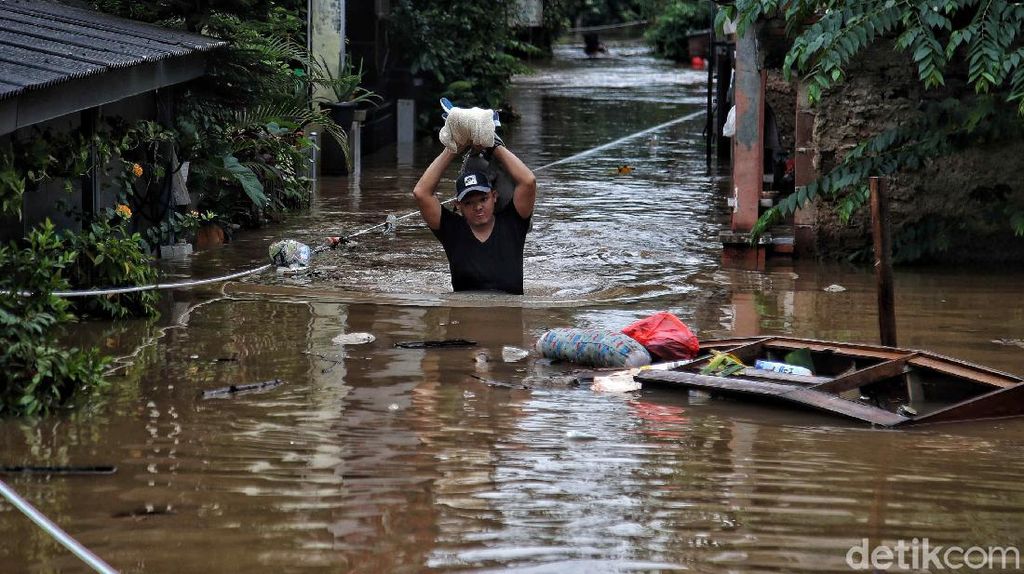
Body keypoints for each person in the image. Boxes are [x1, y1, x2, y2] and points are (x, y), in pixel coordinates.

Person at [413, 143, 536, 294]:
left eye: (483, 199)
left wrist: (493, 144)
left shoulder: (513, 222)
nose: (477, 207)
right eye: (469, 202)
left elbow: (528, 181)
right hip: (464, 313)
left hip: (509, 312)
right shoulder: (452, 230)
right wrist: (453, 148)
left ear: (494, 196)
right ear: (458, 205)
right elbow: (421, 193)